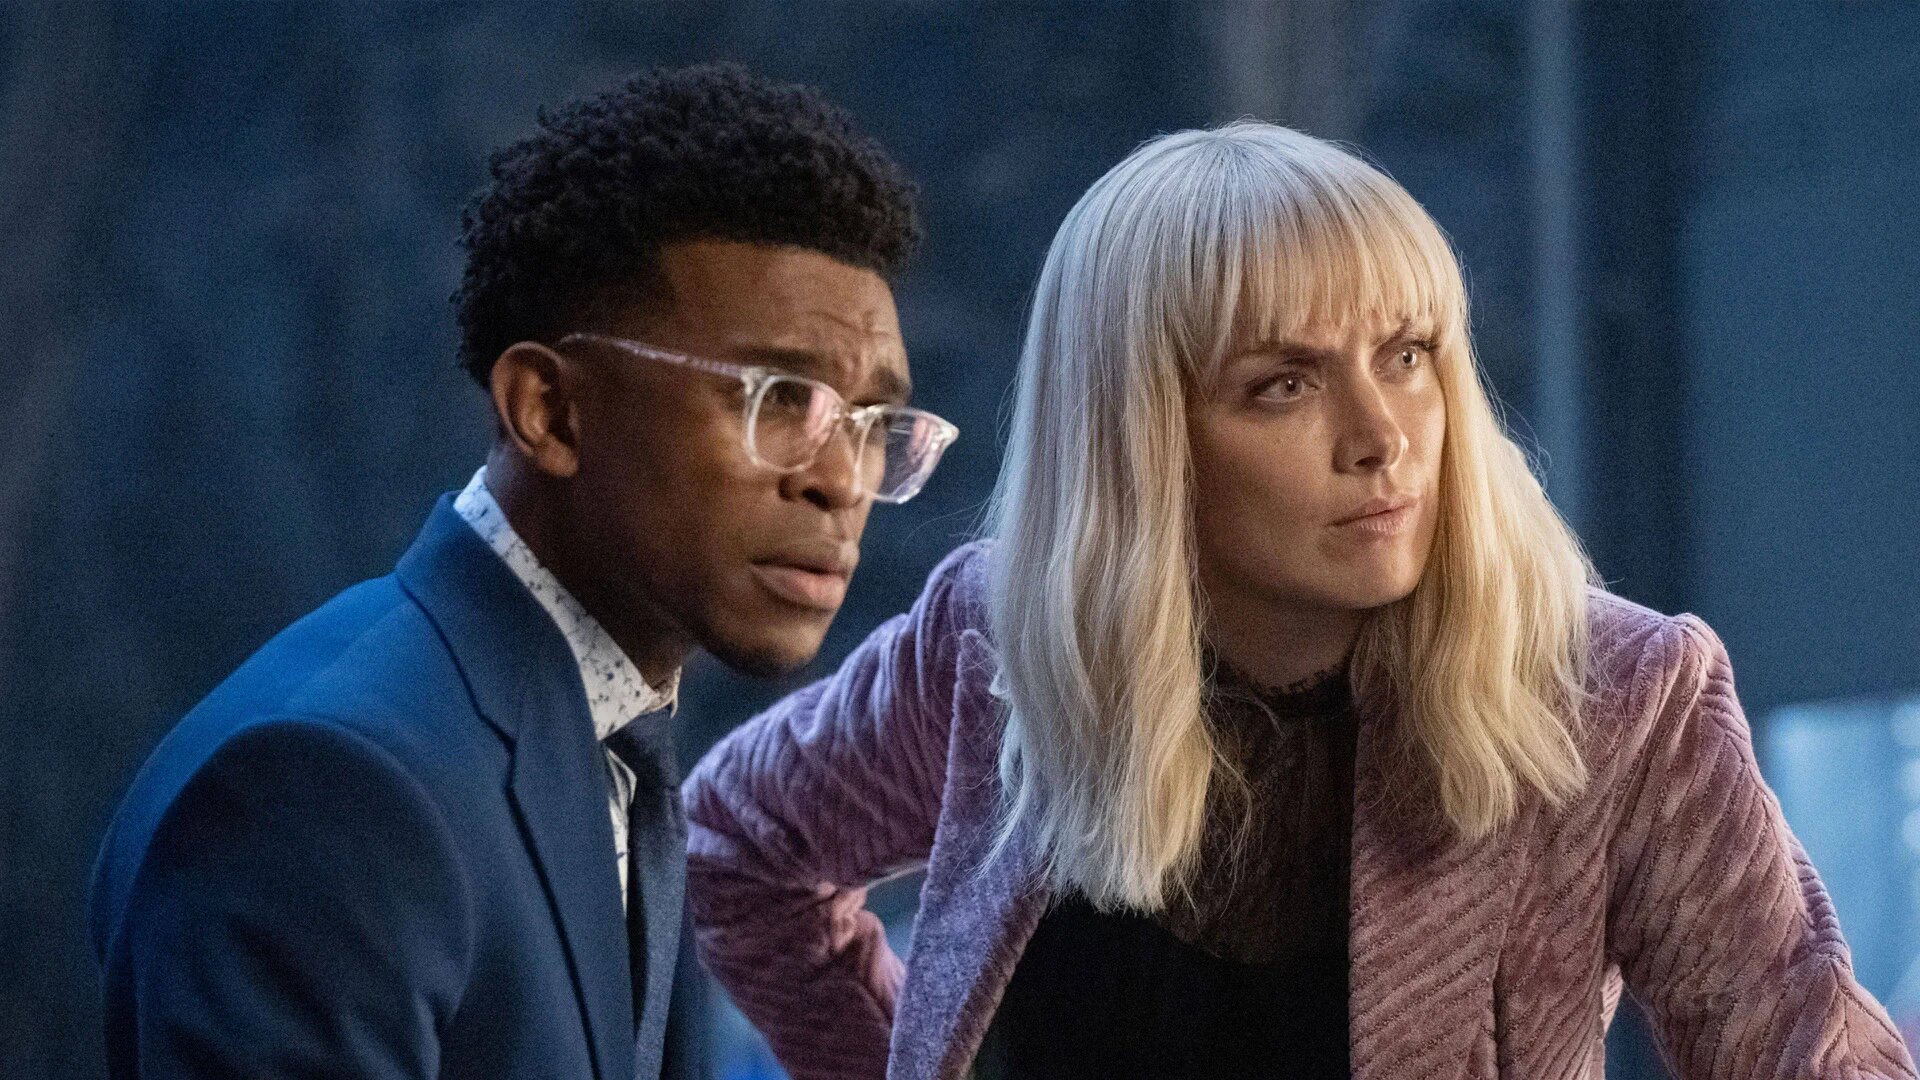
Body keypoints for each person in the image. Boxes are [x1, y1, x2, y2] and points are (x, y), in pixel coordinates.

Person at [682, 120, 1916, 1080]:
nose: (1383, 436)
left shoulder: (1617, 697)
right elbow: (737, 847)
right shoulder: (999, 641)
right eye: (1284, 384)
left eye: (1408, 356)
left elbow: (1814, 1057)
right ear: (1144, 438)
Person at [88, 62, 956, 1080]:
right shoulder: (330, 789)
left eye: (871, 423)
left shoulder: (610, 733)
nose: (840, 480)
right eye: (778, 397)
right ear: (548, 410)